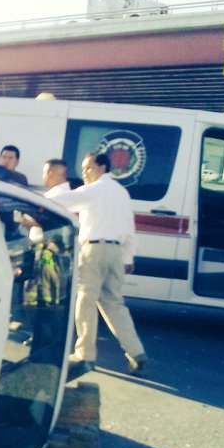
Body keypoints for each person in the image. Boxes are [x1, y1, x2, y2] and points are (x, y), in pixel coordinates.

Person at [51, 151, 149, 375]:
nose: (84, 173)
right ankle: (136, 352)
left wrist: (33, 201)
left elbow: (61, 201)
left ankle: (85, 353)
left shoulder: (94, 190)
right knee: (114, 303)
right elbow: (129, 229)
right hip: (115, 251)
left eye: (88, 168)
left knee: (85, 300)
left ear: (102, 168)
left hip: (93, 249)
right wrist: (128, 257)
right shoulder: (122, 193)